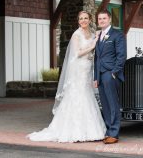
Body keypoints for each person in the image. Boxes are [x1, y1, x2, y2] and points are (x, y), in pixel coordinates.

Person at [27, 11, 106, 143]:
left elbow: (93, 52)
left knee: (87, 94)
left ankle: (90, 130)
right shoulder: (77, 34)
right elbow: (77, 53)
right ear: (78, 21)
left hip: (87, 69)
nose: (83, 21)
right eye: (81, 19)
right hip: (78, 69)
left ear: (90, 19)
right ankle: (73, 130)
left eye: (86, 18)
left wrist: (94, 43)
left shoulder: (92, 34)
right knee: (77, 95)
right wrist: (92, 45)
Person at [94, 9, 127, 144]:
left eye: (104, 18)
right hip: (100, 75)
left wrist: (114, 72)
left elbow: (121, 56)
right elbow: (96, 58)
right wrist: (96, 77)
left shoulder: (117, 35)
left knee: (113, 104)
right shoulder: (98, 36)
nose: (101, 21)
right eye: (99, 19)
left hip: (110, 74)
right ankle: (108, 131)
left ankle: (114, 133)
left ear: (109, 20)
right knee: (105, 105)